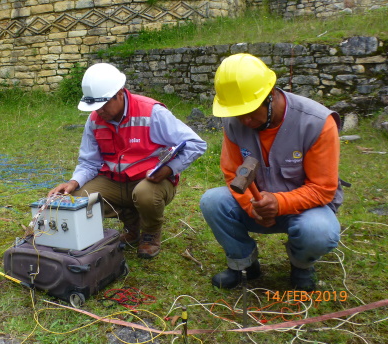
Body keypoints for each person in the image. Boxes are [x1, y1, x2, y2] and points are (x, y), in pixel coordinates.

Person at [200, 53, 345, 292]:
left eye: (250, 111)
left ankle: (301, 265)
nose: (244, 120)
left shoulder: (317, 122)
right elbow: (231, 172)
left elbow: (323, 188)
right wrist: (252, 207)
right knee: (212, 201)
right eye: (238, 113)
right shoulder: (234, 122)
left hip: (305, 210)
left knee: (320, 231)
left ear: (271, 95)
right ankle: (244, 264)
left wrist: (278, 203)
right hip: (259, 205)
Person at [48, 63, 207, 259]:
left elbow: (196, 144)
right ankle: (133, 225)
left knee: (145, 194)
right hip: (115, 180)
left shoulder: (151, 112)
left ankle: (150, 234)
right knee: (81, 198)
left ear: (120, 94)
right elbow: (89, 162)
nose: (100, 111)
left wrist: (169, 169)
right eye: (95, 106)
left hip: (152, 181)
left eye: (104, 104)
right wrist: (73, 182)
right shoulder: (95, 119)